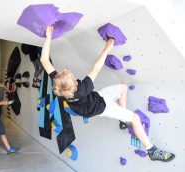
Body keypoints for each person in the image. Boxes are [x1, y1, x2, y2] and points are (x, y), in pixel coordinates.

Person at [40, 26, 175, 162]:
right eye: (72, 76)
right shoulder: (82, 88)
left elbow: (44, 61)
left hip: (96, 98)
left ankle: (123, 120)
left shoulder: (60, 86)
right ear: (74, 84)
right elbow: (96, 67)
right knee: (135, 118)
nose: (70, 74)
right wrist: (108, 47)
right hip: (100, 108)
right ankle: (151, 150)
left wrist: (49, 36)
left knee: (123, 88)